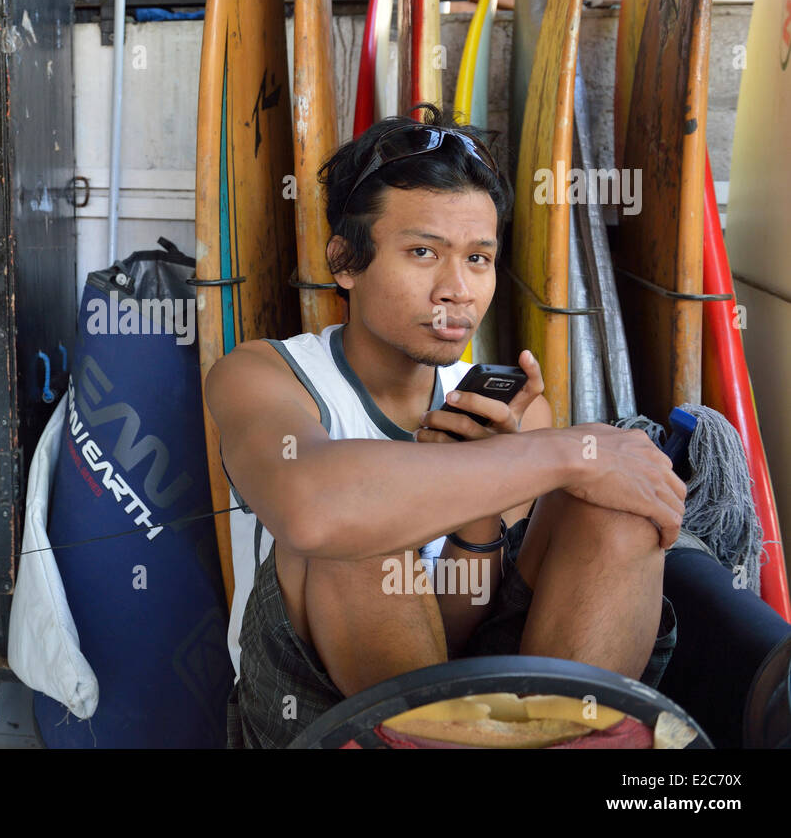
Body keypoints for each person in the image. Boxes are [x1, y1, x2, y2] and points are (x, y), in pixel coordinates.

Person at [206, 104, 685, 749]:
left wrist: (482, 508)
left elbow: (454, 635)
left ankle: (560, 742)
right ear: (347, 261)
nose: (456, 289)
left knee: (613, 507)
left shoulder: (502, 409)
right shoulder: (266, 375)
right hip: (317, 711)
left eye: (479, 259)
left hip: (473, 700)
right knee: (355, 525)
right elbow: (314, 511)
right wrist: (566, 452)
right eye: (424, 252)